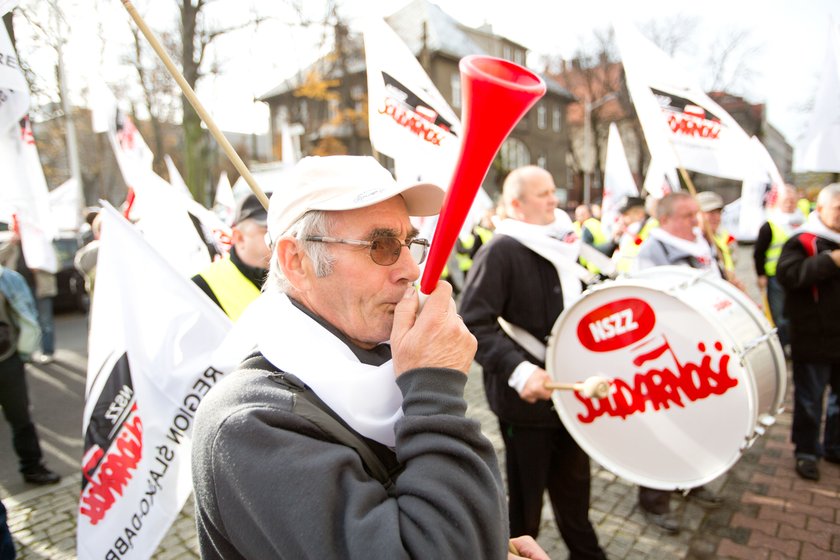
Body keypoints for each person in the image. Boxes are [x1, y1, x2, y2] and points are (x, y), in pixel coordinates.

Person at [191, 156, 549, 560]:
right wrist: (435, 388)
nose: (412, 268)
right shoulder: (248, 424)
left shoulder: (377, 356)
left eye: (410, 243)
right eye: (381, 246)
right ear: (298, 262)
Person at [459, 165, 607, 559]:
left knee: (575, 497)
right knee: (525, 509)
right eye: (543, 194)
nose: (554, 199)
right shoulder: (501, 251)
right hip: (525, 405)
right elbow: (472, 322)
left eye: (552, 190)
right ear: (516, 205)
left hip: (571, 397)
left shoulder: (565, 244)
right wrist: (520, 369)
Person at [632, 192, 725, 532]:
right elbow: (651, 304)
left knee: (699, 425)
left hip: (704, 353)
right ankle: (654, 500)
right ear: (666, 219)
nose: (695, 221)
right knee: (666, 432)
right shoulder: (653, 250)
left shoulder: (702, 244)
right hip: (670, 360)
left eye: (695, 214)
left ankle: (693, 479)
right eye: (687, 216)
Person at [776, 183, 840, 482]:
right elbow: (789, 276)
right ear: (820, 210)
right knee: (810, 399)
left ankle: (833, 447)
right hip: (813, 337)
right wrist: (829, 261)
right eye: (838, 209)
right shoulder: (801, 241)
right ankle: (806, 452)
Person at [0, 262, 60, 486]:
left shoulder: (7, 278)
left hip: (8, 359)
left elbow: (27, 315)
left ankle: (33, 467)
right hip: (10, 357)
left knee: (21, 418)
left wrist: (24, 352)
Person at [191, 193, 271, 321]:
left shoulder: (299, 280)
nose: (282, 236)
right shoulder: (200, 287)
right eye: (269, 230)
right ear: (239, 237)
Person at [753, 184, 805, 352]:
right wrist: (761, 274)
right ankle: (781, 349)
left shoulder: (804, 220)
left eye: (792, 199)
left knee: (797, 313)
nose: (790, 203)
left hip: (800, 275)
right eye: (786, 200)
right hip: (776, 277)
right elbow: (759, 252)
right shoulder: (770, 224)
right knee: (780, 317)